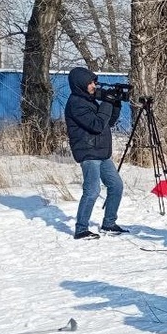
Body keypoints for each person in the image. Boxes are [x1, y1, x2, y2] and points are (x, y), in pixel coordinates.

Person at [65, 66, 125, 240]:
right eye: (91, 83)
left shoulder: (89, 100)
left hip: (101, 152)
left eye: (94, 82)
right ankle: (81, 229)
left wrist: (115, 104)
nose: (94, 86)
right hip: (88, 152)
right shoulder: (76, 103)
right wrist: (106, 101)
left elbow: (108, 122)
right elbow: (96, 125)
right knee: (92, 190)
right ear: (81, 84)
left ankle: (109, 223)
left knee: (116, 186)